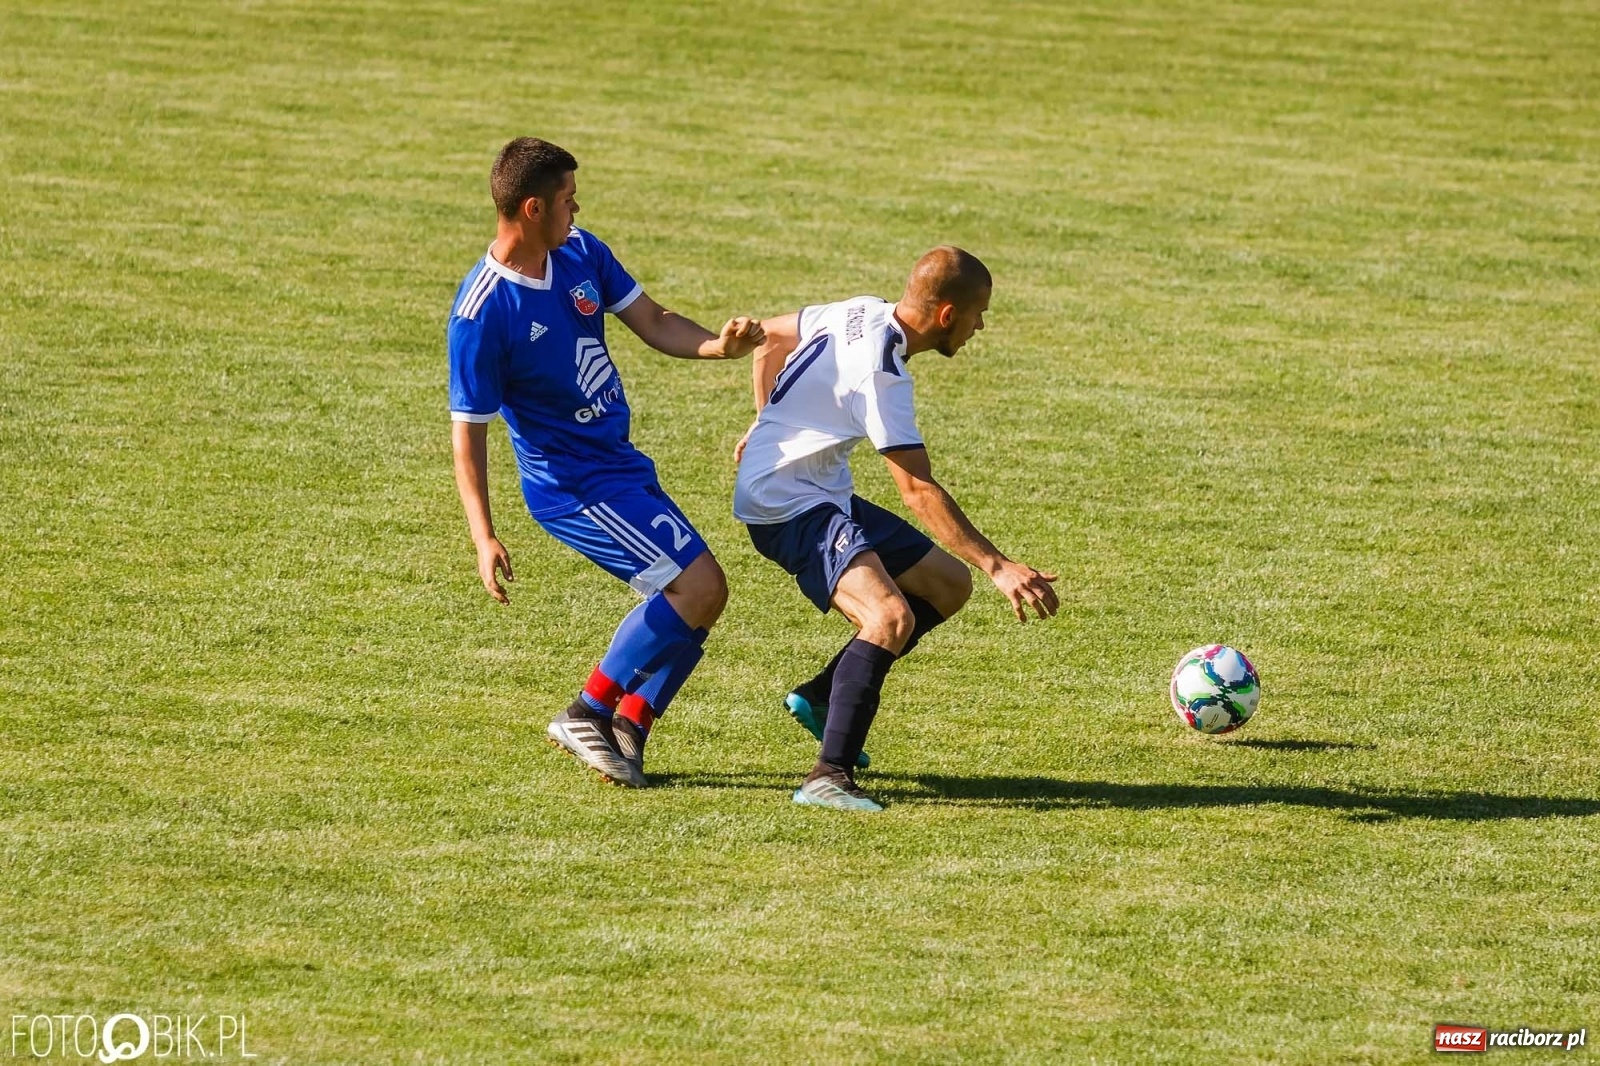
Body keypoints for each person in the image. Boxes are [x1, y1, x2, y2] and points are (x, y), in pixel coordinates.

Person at [449, 137, 764, 788]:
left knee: (704, 597)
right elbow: (468, 435)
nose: (578, 208)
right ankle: (587, 711)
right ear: (533, 208)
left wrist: (718, 348)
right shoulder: (482, 313)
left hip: (618, 464)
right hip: (572, 485)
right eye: (568, 199)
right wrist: (482, 535)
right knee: (696, 587)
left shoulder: (581, 252)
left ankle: (631, 726)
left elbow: (651, 318)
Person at [733, 247, 1058, 811]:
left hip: (818, 490)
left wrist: (767, 423)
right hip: (785, 502)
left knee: (947, 585)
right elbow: (917, 490)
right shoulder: (882, 375)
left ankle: (821, 697)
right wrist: (1000, 567)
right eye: (979, 313)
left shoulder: (860, 309)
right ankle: (827, 777)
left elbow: (769, 338)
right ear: (947, 315)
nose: (981, 326)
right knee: (889, 616)